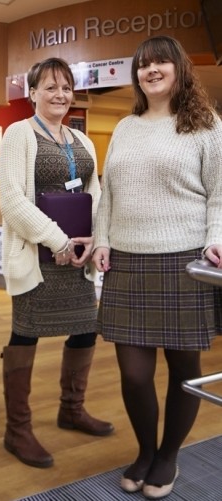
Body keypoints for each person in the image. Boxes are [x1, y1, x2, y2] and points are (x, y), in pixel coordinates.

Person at [92, 35, 222, 499]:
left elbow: (220, 193)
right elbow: (109, 193)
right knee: (134, 373)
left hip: (185, 261)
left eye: (160, 62)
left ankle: (168, 456)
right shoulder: (127, 126)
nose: (151, 70)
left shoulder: (206, 125)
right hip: (127, 260)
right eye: (143, 65)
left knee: (183, 368)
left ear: (179, 69)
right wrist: (103, 239)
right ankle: (145, 450)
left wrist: (216, 239)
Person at [0, 57, 114, 469]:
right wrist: (59, 240)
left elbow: (95, 190)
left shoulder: (81, 141)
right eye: (50, 87)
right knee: (25, 335)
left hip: (77, 258)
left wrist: (92, 239)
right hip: (38, 256)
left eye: (66, 87)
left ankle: (71, 409)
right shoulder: (18, 134)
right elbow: (11, 201)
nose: (60, 94)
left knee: (85, 330)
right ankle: (18, 430)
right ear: (32, 93)